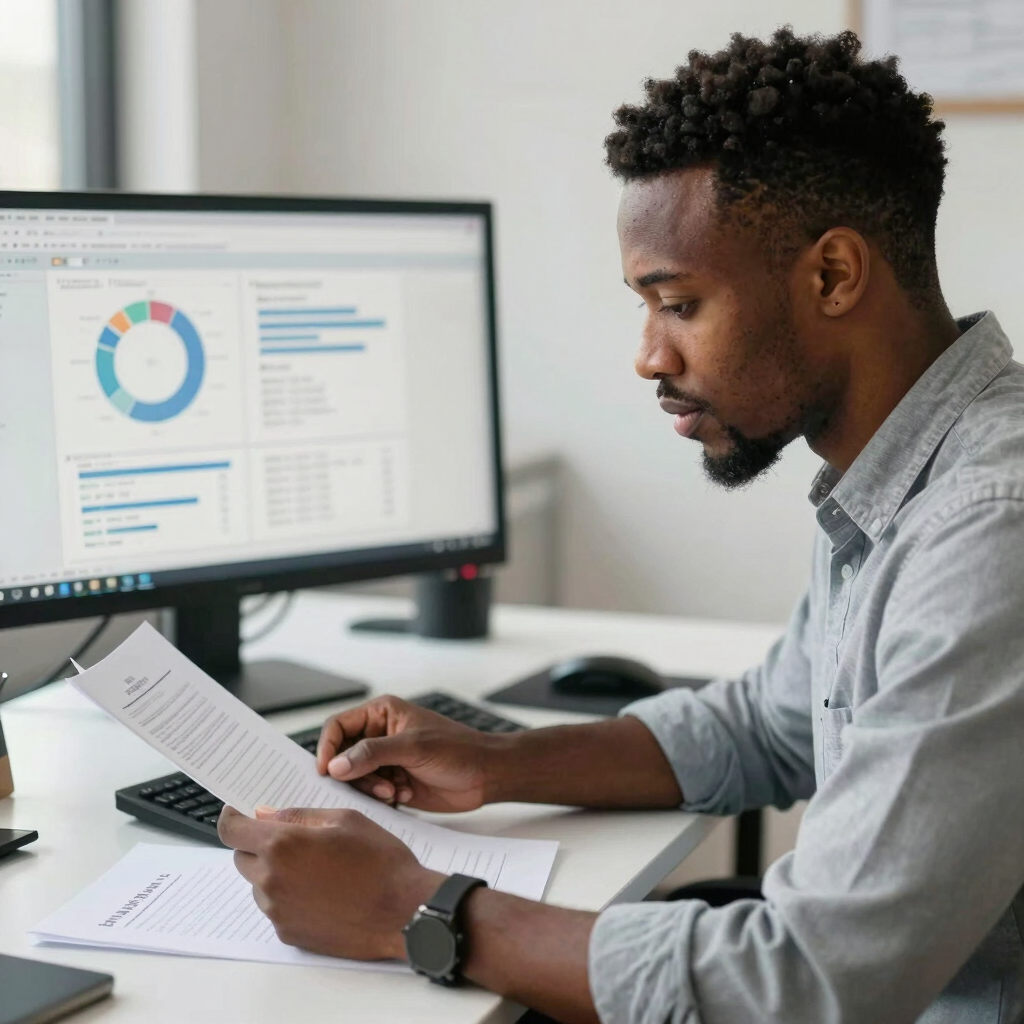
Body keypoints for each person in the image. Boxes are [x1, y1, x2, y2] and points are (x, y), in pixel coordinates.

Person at [218, 27, 1024, 1024]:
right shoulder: (898, 469)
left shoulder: (988, 533)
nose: (647, 356)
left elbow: (813, 980)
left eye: (677, 303)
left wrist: (410, 908)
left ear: (830, 277)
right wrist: (500, 762)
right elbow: (770, 723)